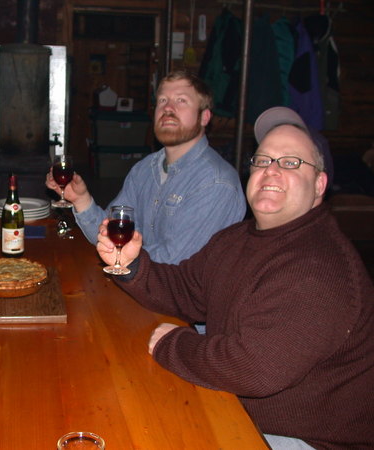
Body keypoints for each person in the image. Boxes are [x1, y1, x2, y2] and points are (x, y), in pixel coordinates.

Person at [96, 106, 374, 449]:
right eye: (262, 160)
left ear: (319, 184)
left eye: (290, 163)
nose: (271, 171)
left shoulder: (320, 267)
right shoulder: (237, 239)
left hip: (303, 438)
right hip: (237, 405)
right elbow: (184, 288)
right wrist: (132, 264)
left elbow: (254, 367)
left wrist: (173, 345)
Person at [46, 69, 246, 264]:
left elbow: (174, 261)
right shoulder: (144, 169)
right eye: (162, 101)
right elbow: (110, 234)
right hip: (142, 285)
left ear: (204, 117)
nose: (168, 108)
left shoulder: (216, 183)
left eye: (181, 100)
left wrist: (118, 253)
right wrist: (81, 199)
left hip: (182, 295)